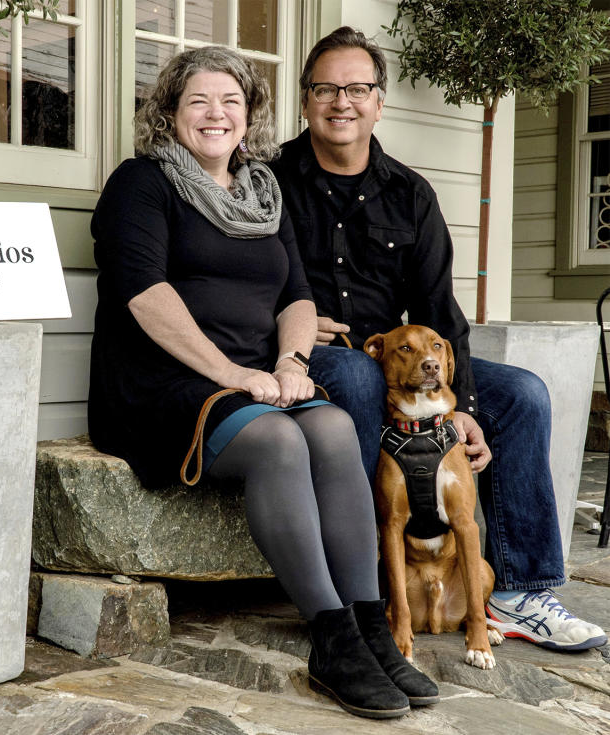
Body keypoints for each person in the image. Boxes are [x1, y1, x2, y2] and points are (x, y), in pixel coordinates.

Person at [88, 45, 438, 719]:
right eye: (197, 101)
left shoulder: (259, 190)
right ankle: (330, 639)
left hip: (254, 375)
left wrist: (289, 364)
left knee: (333, 426)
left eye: (230, 101)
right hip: (163, 383)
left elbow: (297, 296)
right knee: (279, 441)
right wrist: (234, 374)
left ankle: (369, 624)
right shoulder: (142, 182)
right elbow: (144, 294)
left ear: (249, 115)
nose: (215, 114)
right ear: (168, 113)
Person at [268, 26, 607, 652]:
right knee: (356, 376)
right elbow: (235, 276)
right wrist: (283, 317)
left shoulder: (410, 194)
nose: (342, 101)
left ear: (378, 101)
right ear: (305, 97)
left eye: (358, 88)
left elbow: (438, 310)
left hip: (395, 361)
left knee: (524, 394)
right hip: (311, 358)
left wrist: (469, 407)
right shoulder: (270, 183)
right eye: (326, 88)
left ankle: (518, 591)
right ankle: (367, 589)